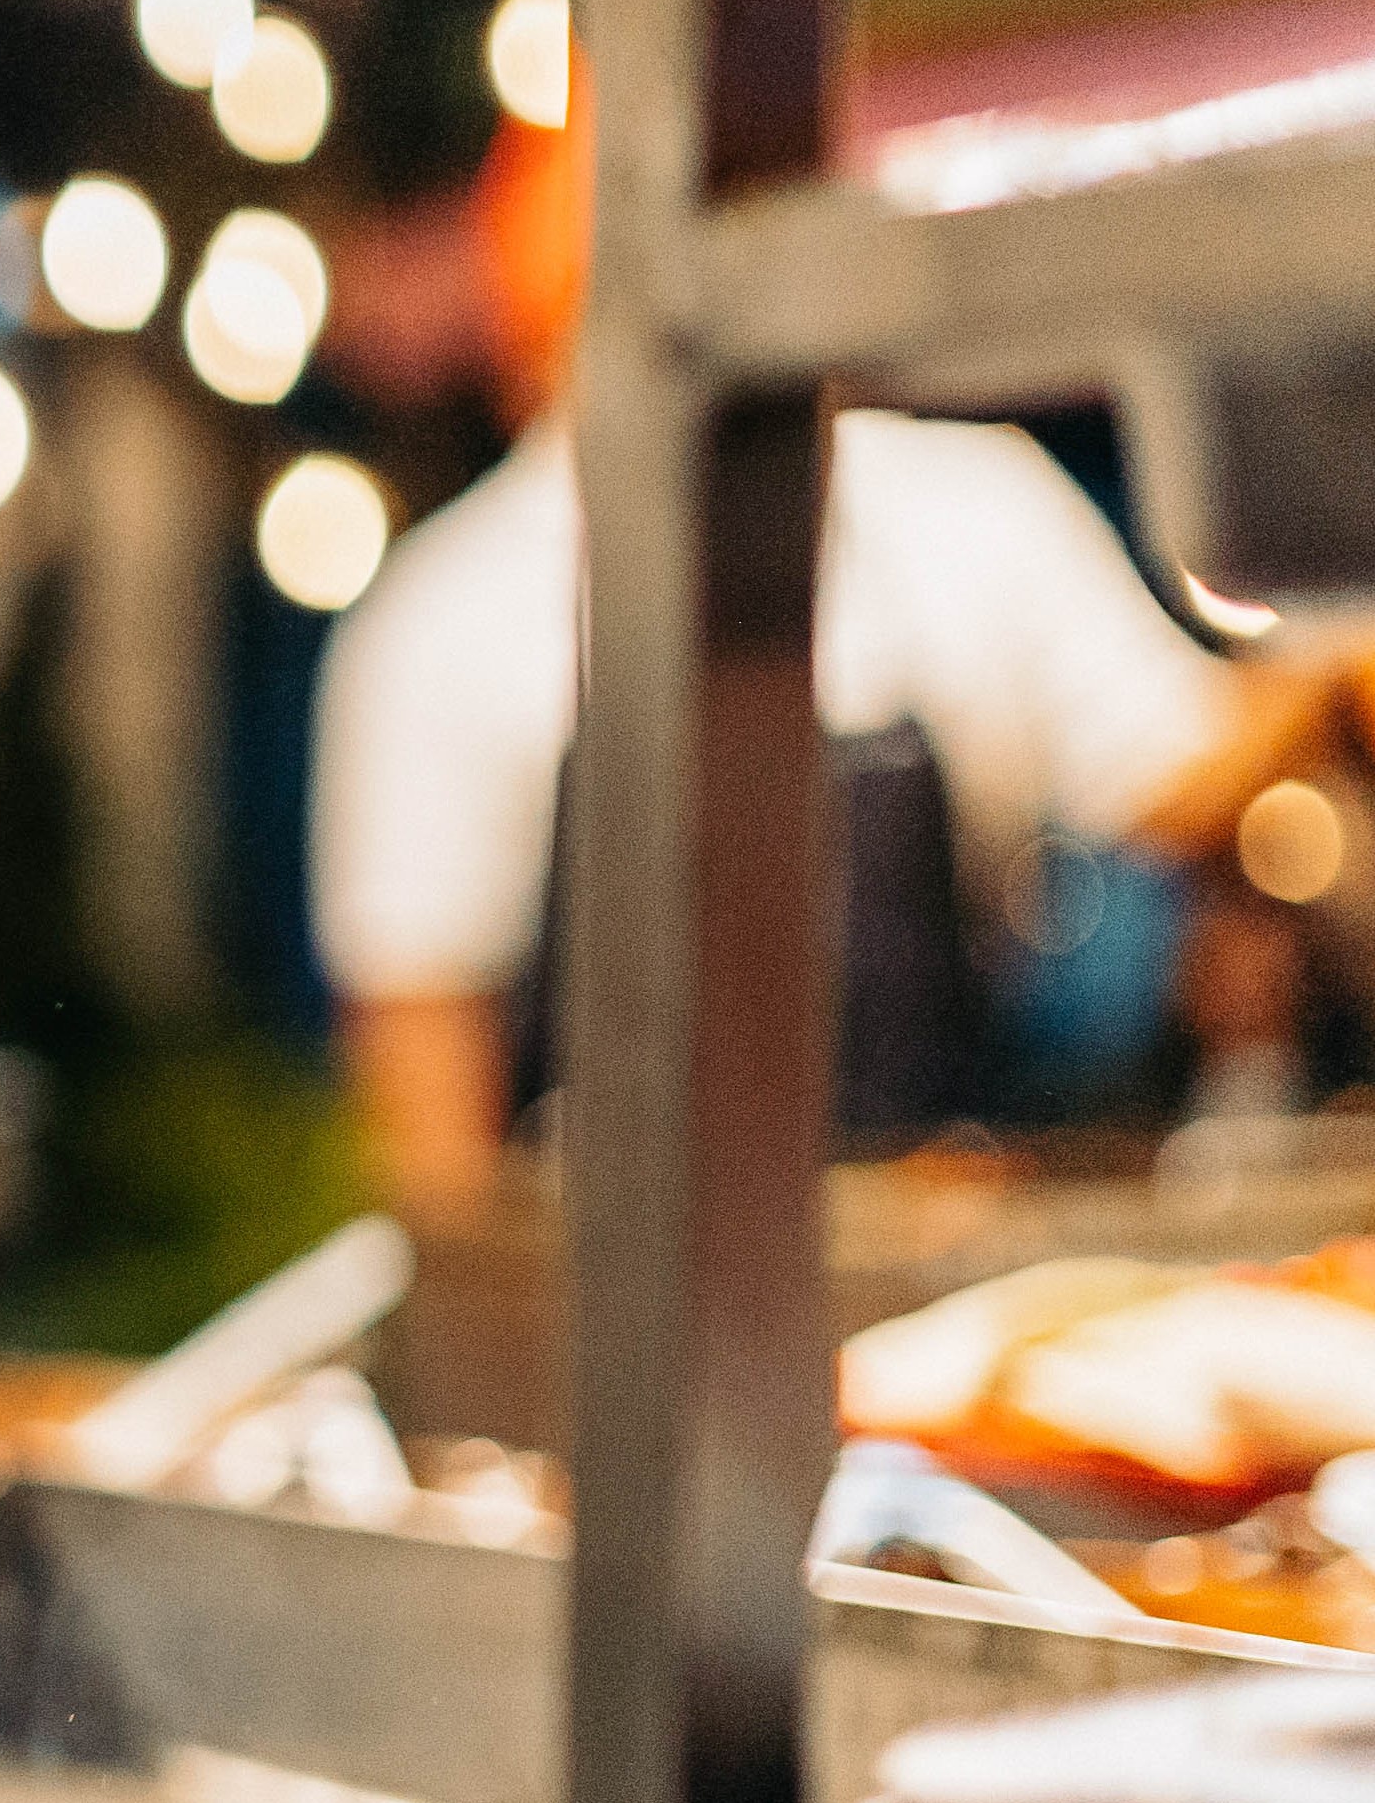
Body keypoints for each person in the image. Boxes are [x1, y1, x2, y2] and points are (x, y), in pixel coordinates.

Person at [314, 91, 1362, 1220]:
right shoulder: (442, 621)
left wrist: (1335, 663)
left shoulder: (969, 513)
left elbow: (1172, 777)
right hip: (600, 1295)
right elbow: (428, 1115)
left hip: (936, 1241)